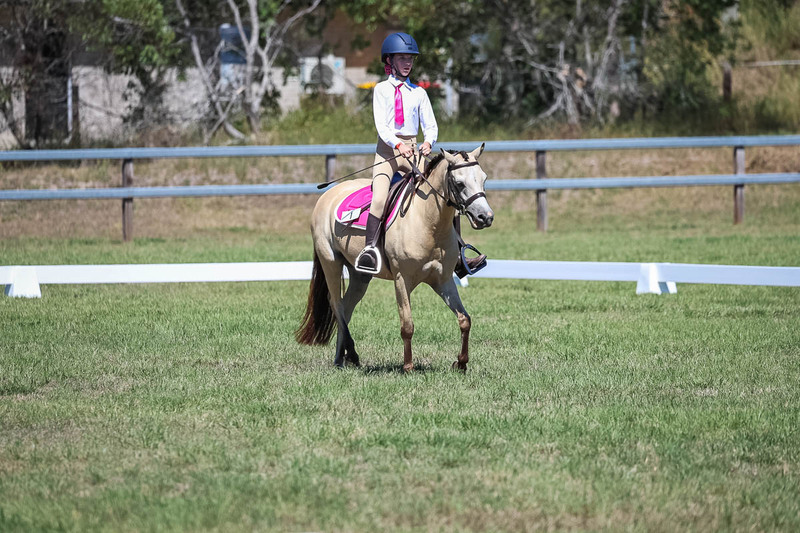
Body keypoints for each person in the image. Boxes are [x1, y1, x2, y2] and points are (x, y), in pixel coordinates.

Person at [354, 32, 438, 275]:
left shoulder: (419, 93)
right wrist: (397, 145)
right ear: (389, 61)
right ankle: (369, 250)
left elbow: (430, 124)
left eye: (410, 58)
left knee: (441, 192)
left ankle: (459, 251)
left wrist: (428, 142)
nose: (408, 63)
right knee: (379, 198)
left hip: (413, 150)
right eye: (402, 58)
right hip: (387, 152)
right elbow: (382, 127)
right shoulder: (381, 90)